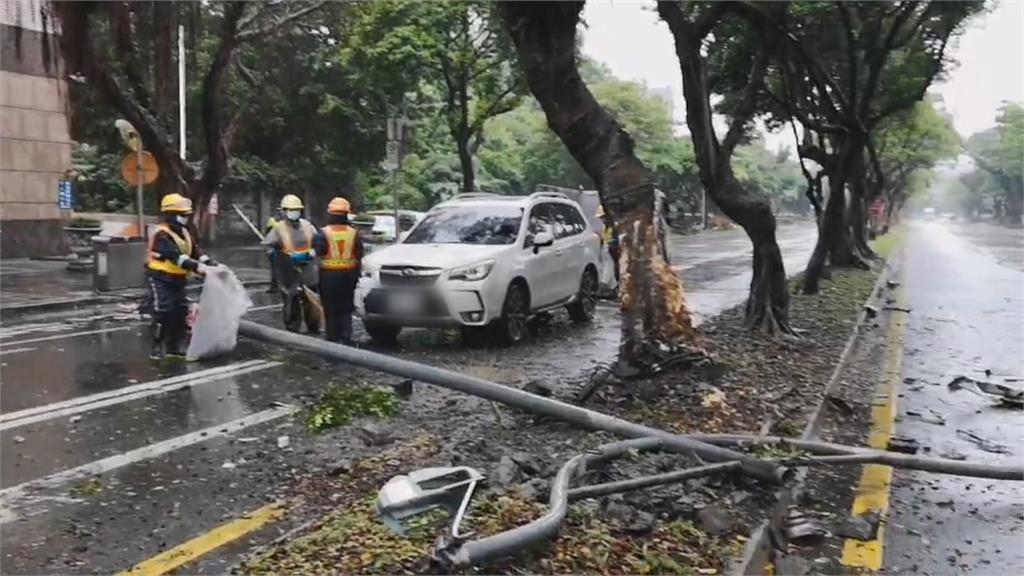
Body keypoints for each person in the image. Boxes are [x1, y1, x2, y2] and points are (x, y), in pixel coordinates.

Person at [146, 193, 214, 359]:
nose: (185, 218)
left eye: (186, 215)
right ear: (170, 215)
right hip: (160, 278)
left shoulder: (185, 232)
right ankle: (157, 346)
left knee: (180, 312)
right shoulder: (161, 234)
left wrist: (210, 263)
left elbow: (196, 252)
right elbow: (177, 257)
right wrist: (199, 267)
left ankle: (174, 347)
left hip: (178, 279)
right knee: (163, 312)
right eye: (182, 215)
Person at [262, 194, 319, 328]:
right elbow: (268, 247)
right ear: (285, 211)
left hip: (308, 268)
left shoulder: (308, 226)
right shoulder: (279, 229)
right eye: (291, 209)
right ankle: (293, 326)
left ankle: (313, 325)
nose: (294, 212)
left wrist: (313, 253)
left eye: (296, 209)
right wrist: (281, 257)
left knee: (311, 299)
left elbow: (318, 242)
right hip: (289, 270)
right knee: (290, 298)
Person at [314, 197, 364, 344]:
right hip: (349, 276)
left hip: (329, 277)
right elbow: (359, 254)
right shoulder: (353, 233)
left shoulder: (323, 233)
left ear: (330, 213)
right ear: (346, 214)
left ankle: (332, 338)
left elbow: (319, 252)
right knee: (346, 308)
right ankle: (346, 337)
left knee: (331, 309)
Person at [264, 208, 284, 293]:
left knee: (279, 269)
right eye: (278, 212)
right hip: (275, 248)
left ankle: (278, 286)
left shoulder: (284, 223)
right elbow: (267, 233)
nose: (279, 214)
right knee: (275, 268)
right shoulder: (272, 221)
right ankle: (275, 286)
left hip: (282, 247)